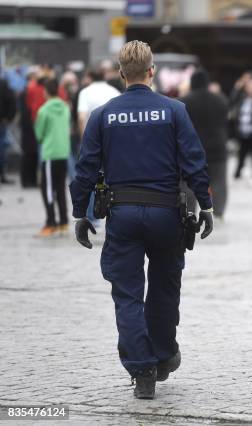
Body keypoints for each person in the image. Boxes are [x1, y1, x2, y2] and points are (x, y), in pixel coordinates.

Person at [69, 41, 214, 399]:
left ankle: (142, 370)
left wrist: (79, 212)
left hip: (123, 214)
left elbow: (85, 167)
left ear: (121, 74)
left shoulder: (104, 114)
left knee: (127, 294)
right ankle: (164, 354)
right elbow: (195, 161)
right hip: (167, 213)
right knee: (165, 288)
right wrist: (207, 206)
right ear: (152, 72)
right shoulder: (174, 110)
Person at [181, 69, 229, 219]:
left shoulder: (184, 101)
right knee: (218, 181)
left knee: (190, 183)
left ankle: (190, 212)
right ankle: (219, 212)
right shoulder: (220, 99)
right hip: (217, 147)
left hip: (192, 148)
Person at [77, 65, 121, 224]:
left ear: (90, 76)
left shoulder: (85, 92)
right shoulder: (114, 92)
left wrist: (84, 140)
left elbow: (82, 117)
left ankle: (92, 215)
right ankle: (111, 211)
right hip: (113, 142)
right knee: (111, 177)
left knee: (89, 177)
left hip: (92, 141)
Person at [34, 78, 71, 236]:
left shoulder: (43, 110)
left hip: (50, 154)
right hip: (63, 152)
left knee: (48, 190)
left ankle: (51, 222)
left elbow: (39, 134)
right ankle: (63, 222)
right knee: (61, 188)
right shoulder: (65, 107)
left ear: (46, 91)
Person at [233, 74, 252, 180]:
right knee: (241, 153)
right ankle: (237, 173)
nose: (251, 88)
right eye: (249, 86)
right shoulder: (242, 98)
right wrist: (238, 87)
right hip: (242, 130)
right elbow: (232, 100)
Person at [0, 75, 16, 184]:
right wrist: (9, 117)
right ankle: (2, 174)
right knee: (2, 148)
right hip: (2, 122)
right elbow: (12, 101)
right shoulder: (4, 84)